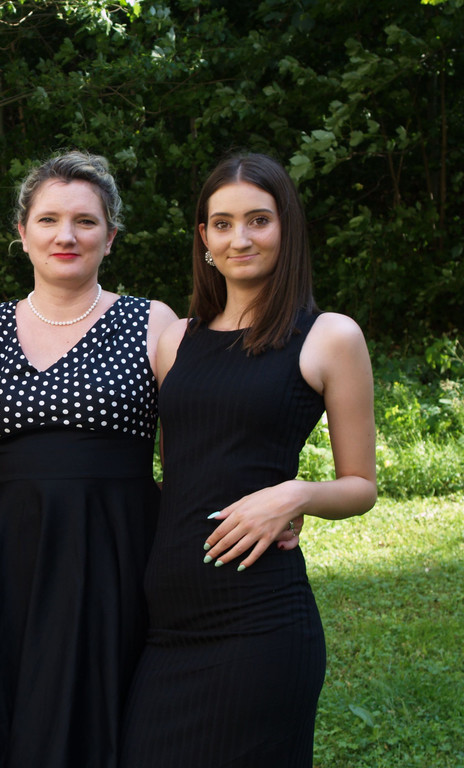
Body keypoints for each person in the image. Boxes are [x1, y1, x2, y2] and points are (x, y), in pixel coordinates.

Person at [0, 151, 178, 767]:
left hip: (116, 554)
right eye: (49, 219)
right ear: (22, 232)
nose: (66, 235)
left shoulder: (152, 322)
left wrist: (264, 503)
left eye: (85, 221)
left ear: (111, 237)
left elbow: (191, 453)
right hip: (12, 558)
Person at [120, 152, 377, 767]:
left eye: (259, 220)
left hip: (260, 620)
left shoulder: (329, 336)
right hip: (167, 622)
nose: (241, 238)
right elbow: (178, 472)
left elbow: (361, 485)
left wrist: (296, 495)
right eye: (223, 223)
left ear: (287, 227)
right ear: (204, 239)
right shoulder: (175, 339)